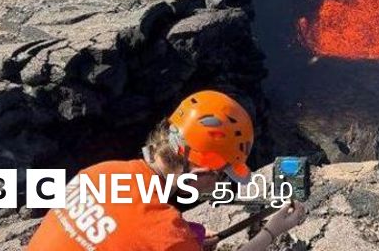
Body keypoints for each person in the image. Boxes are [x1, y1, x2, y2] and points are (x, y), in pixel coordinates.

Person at [28, 90, 307, 251]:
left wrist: (187, 235)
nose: (219, 183)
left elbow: (120, 223)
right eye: (221, 174)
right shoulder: (166, 236)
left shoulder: (99, 172)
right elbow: (148, 232)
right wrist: (271, 232)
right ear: (198, 172)